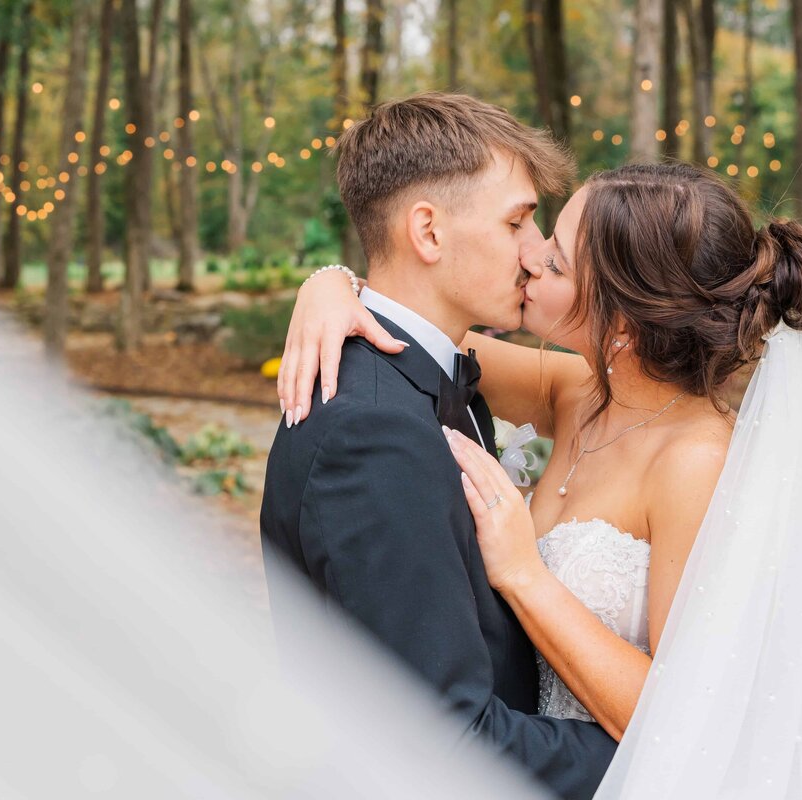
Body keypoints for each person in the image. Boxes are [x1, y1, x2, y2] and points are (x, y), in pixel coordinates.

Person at [280, 161, 802, 797]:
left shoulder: (693, 463)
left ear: (622, 324)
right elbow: (415, 334)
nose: (530, 259)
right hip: (527, 760)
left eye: (555, 262)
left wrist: (523, 574)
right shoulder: (578, 395)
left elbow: (689, 711)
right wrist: (329, 286)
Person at [259, 92, 617, 800]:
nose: (535, 248)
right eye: (517, 219)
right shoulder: (375, 431)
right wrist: (679, 752)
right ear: (428, 232)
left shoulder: (438, 375)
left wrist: (334, 280)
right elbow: (443, 741)